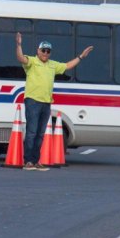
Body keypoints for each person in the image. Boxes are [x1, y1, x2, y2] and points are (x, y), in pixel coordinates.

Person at [15, 33, 93, 171]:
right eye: (43, 50)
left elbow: (68, 66)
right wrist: (19, 44)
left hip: (46, 103)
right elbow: (20, 58)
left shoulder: (52, 65)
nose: (45, 53)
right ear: (38, 51)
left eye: (48, 51)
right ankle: (28, 161)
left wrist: (81, 57)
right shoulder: (32, 61)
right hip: (32, 101)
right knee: (32, 132)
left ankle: (35, 160)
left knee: (40, 133)